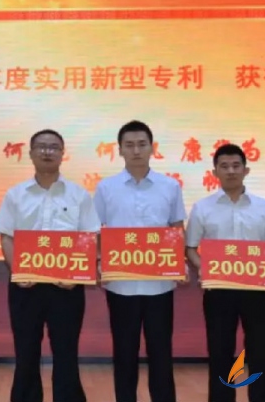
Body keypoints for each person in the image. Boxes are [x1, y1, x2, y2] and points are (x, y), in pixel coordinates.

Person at [0, 129, 102, 402]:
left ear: (63, 154)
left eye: (54, 147)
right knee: (25, 350)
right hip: (25, 286)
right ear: (30, 154)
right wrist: (17, 271)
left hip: (66, 288)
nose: (47, 152)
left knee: (66, 351)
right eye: (41, 147)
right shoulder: (16, 194)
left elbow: (90, 237)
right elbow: (6, 237)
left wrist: (76, 276)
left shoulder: (78, 194)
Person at [93, 120, 185, 402]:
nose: (136, 150)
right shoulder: (106, 187)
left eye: (142, 144)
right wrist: (98, 262)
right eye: (129, 145)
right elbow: (96, 231)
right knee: (124, 352)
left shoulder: (170, 186)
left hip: (160, 285)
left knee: (161, 352)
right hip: (120, 285)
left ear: (152, 148)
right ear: (120, 149)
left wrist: (178, 263)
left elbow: (176, 227)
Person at [184, 144, 265, 402]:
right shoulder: (203, 207)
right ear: (215, 172)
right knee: (220, 353)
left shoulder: (263, 207)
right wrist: (204, 268)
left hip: (257, 291)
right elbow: (190, 248)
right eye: (224, 166)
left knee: (261, 352)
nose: (231, 171)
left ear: (246, 170)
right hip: (219, 291)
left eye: (236, 166)